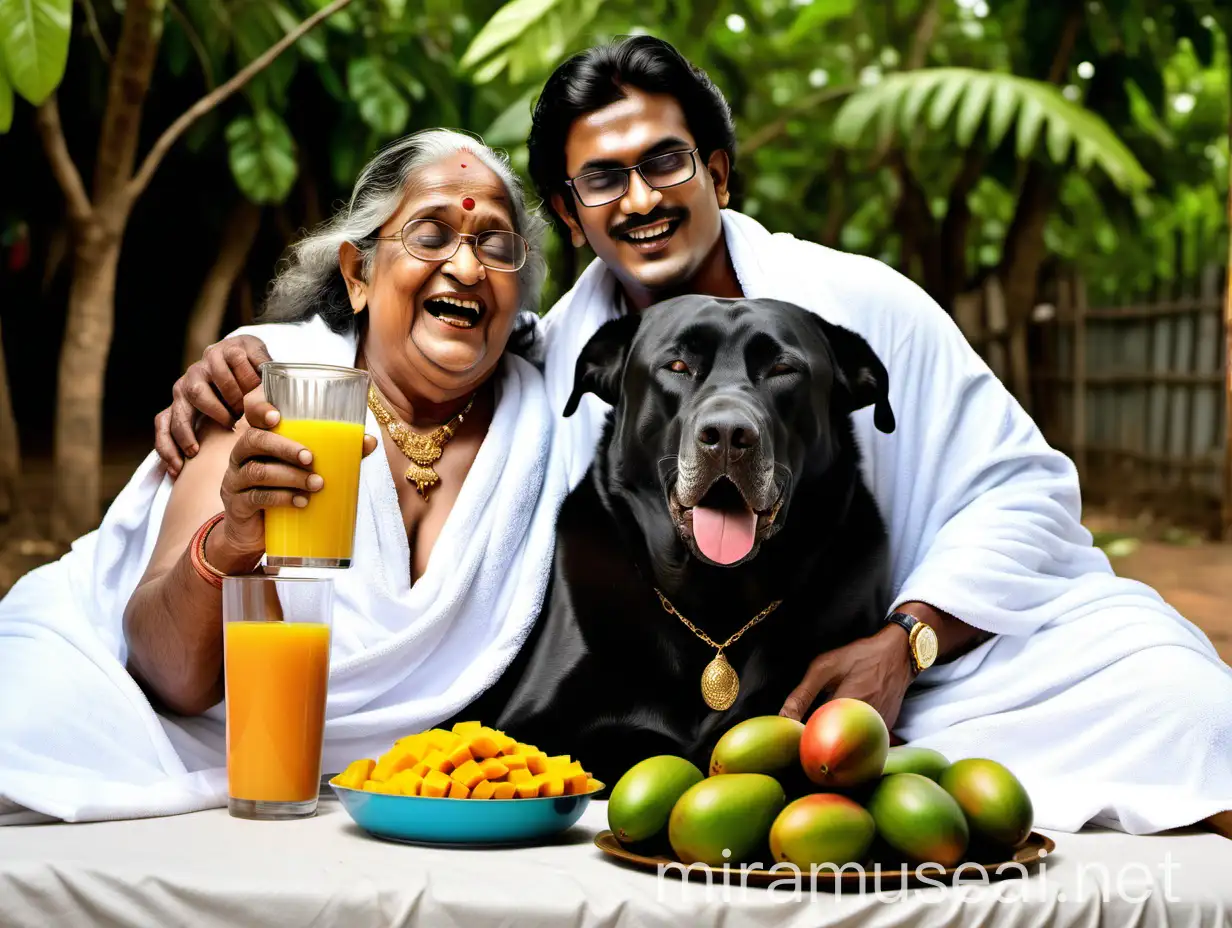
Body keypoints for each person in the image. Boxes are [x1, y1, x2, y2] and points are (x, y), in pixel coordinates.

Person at [162, 37, 1232, 837]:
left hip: (913, 661)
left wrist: (901, 646)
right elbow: (425, 338)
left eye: (664, 162)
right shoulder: (562, 347)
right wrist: (252, 349)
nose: (639, 198)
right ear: (570, 211)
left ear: (717, 172)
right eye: (602, 179)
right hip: (680, 691)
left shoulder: (860, 303)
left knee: (1176, 703)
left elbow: (1023, 490)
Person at [0, 129, 567, 824]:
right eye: (431, 233)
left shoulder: (545, 419)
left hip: (382, 795)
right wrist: (230, 542)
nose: (468, 266)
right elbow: (164, 674)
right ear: (357, 275)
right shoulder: (272, 393)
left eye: (495, 243)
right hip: (124, 713)